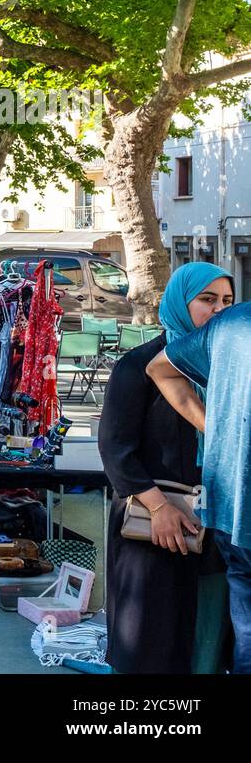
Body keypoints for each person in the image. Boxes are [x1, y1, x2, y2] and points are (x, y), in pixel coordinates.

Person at [100, 263, 233, 673]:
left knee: (206, 636)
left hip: (213, 527)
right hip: (152, 524)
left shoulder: (230, 371)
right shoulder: (139, 366)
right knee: (149, 640)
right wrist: (159, 508)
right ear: (180, 303)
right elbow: (115, 448)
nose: (218, 311)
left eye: (227, 301)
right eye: (207, 300)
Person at [148, 284, 251, 674]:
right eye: (207, 298)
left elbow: (160, 368)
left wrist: (219, 430)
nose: (217, 306)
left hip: (232, 510)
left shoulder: (231, 324)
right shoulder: (231, 323)